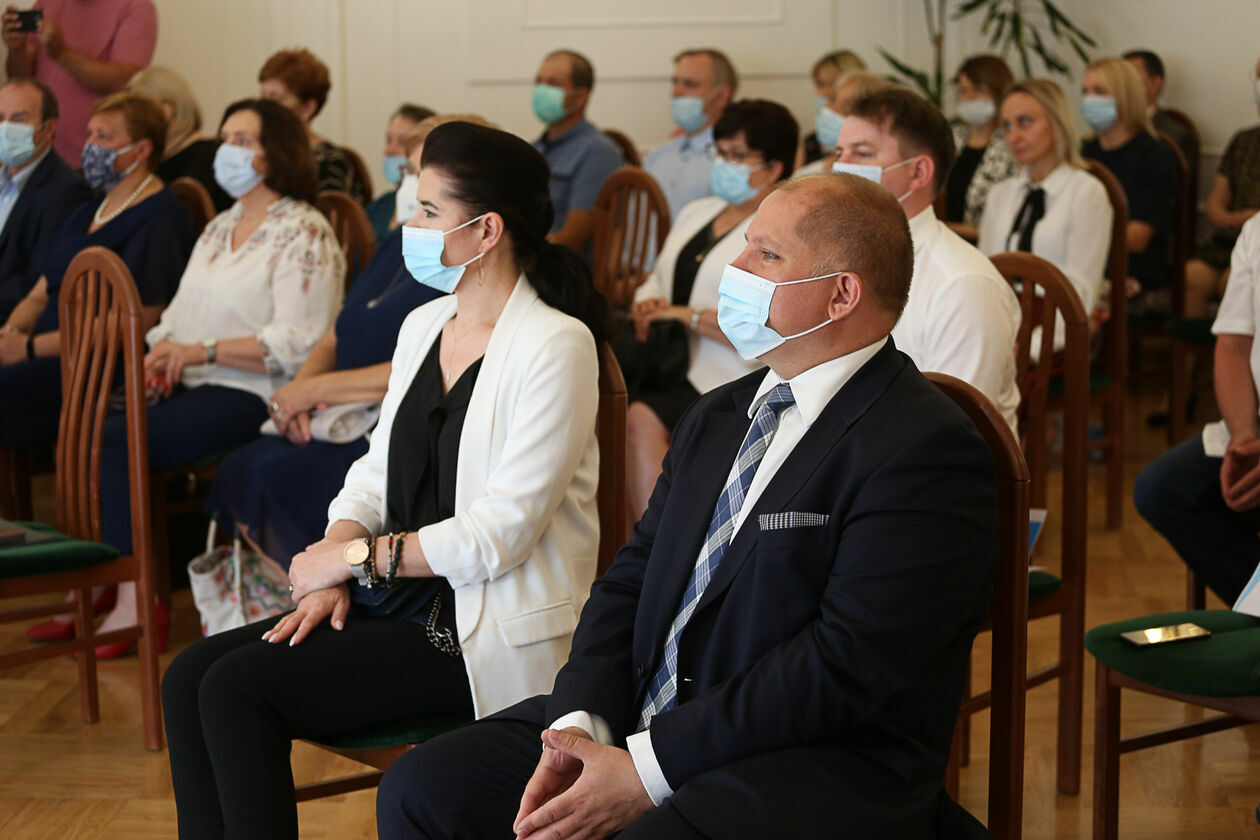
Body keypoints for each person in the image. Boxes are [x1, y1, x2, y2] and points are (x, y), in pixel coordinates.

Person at [376, 172, 999, 840]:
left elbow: (845, 664)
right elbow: (632, 578)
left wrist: (649, 768)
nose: (736, 267)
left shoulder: (922, 446)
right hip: (642, 718)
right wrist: (581, 723)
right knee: (424, 788)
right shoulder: (720, 413)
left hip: (803, 756)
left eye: (766, 254)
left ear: (842, 294)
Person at [161, 121, 608, 840]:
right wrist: (331, 563)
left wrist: (354, 559)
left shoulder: (556, 343)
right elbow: (374, 471)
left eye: (428, 210)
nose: (408, 225)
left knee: (237, 690)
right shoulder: (425, 325)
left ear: (486, 229)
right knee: (188, 677)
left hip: (473, 625)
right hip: (398, 595)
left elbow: (503, 533)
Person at [85, 97, 345, 656]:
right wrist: (162, 357)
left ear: (276, 152)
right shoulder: (220, 226)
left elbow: (299, 341)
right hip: (199, 382)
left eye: (243, 140)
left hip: (256, 393)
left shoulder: (305, 230)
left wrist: (198, 352)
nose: (228, 150)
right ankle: (102, 579)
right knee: (92, 422)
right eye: (226, 138)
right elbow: (176, 318)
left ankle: (137, 599)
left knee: (118, 438)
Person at [204, 114, 498, 570]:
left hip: (381, 423)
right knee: (241, 466)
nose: (410, 188)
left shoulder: (455, 268)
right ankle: (298, 587)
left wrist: (314, 391)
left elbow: (426, 368)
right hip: (336, 413)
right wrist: (296, 392)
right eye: (410, 172)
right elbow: (336, 332)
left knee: (275, 477)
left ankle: (320, 585)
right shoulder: (403, 245)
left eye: (421, 175)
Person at [625, 99, 797, 520]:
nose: (724, 164)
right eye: (720, 152)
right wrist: (647, 301)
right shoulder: (697, 212)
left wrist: (689, 316)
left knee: (640, 418)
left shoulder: (781, 237)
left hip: (731, 373)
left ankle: (660, 539)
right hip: (667, 361)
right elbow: (658, 275)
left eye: (738, 156)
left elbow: (768, 326)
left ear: (773, 168)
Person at [0, 91, 195, 460]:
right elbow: (41, 291)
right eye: (90, 134)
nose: (91, 146)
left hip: (99, 366)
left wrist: (27, 349)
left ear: (141, 150)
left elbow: (133, 323)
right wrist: (11, 333)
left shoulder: (160, 219)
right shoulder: (91, 208)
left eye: (104, 137)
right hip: (43, 350)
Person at [836, 88, 1020, 435]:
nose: (840, 169)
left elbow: (951, 431)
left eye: (862, 153)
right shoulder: (833, 257)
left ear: (918, 172)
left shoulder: (963, 286)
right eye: (838, 153)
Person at [1135, 213, 1260, 605]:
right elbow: (1233, 346)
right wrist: (1243, 436)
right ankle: (1255, 603)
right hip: (1256, 426)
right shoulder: (1256, 231)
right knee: (1163, 488)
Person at [978, 78, 1112, 347]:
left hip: (1055, 331)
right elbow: (985, 277)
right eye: (1007, 126)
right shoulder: (1000, 194)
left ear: (1056, 121)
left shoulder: (1086, 192)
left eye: (1025, 122)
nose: (1013, 136)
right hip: (1000, 322)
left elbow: (1080, 294)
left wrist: (1031, 348)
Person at [1, 0, 156, 163]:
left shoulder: (136, 7)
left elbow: (125, 80)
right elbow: (22, 81)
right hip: (36, 151)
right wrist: (17, 49)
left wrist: (62, 54)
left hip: (91, 157)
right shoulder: (47, 3)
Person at [1080, 57, 1177, 297]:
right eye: (1085, 92)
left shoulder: (1153, 156)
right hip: (1084, 260)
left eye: (1099, 92)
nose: (1089, 100)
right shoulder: (1083, 151)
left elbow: (1136, 238)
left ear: (1126, 96)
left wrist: (1073, 233)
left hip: (1132, 269)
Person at [0, 76, 90, 322]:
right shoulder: (4, 176)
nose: (6, 127)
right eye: (1, 118)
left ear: (49, 127)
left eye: (19, 119)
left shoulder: (67, 191)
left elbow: (38, 277)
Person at [1183, 57, 1260, 318]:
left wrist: (1253, 219)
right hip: (1228, 239)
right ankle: (1193, 346)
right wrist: (1223, 216)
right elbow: (1216, 199)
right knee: (1191, 276)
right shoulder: (1244, 140)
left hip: (1256, 247)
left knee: (1234, 283)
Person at [530, 48, 623, 256]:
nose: (542, 89)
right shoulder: (535, 148)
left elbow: (573, 239)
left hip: (561, 267)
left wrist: (515, 250)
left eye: (552, 83)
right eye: (539, 81)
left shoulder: (598, 152)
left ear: (580, 97)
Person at [259, 47, 369, 205]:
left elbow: (328, 215)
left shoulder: (330, 161)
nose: (264, 108)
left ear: (308, 108)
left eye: (276, 100)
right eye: (263, 98)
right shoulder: (257, 152)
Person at [643, 48, 737, 219]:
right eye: (675, 82)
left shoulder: (733, 163)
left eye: (690, 84)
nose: (676, 92)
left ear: (721, 96)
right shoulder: (658, 156)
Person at [126, 65, 232, 212]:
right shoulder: (154, 160)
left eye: (138, 111)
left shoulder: (205, 158)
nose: (130, 121)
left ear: (168, 110)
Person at [945, 54, 1017, 240]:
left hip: (986, 248)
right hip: (945, 244)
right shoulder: (951, 140)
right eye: (963, 90)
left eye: (978, 89)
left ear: (1000, 92)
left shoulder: (1013, 147)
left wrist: (945, 228)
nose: (969, 97)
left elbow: (1010, 224)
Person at [792, 69, 895, 178]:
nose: (830, 108)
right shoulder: (806, 175)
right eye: (832, 100)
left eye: (846, 107)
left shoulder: (880, 175)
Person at [364, 103, 434, 244]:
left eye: (402, 142)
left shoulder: (433, 214)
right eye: (388, 140)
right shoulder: (381, 205)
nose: (389, 150)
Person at [1123, 49, 1196, 168]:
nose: (1123, 84)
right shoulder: (1106, 128)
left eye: (1131, 76)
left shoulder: (1174, 135)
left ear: (1156, 84)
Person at [803, 48, 864, 165]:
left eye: (826, 84)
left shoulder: (876, 144)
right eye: (819, 84)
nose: (820, 93)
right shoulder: (809, 143)